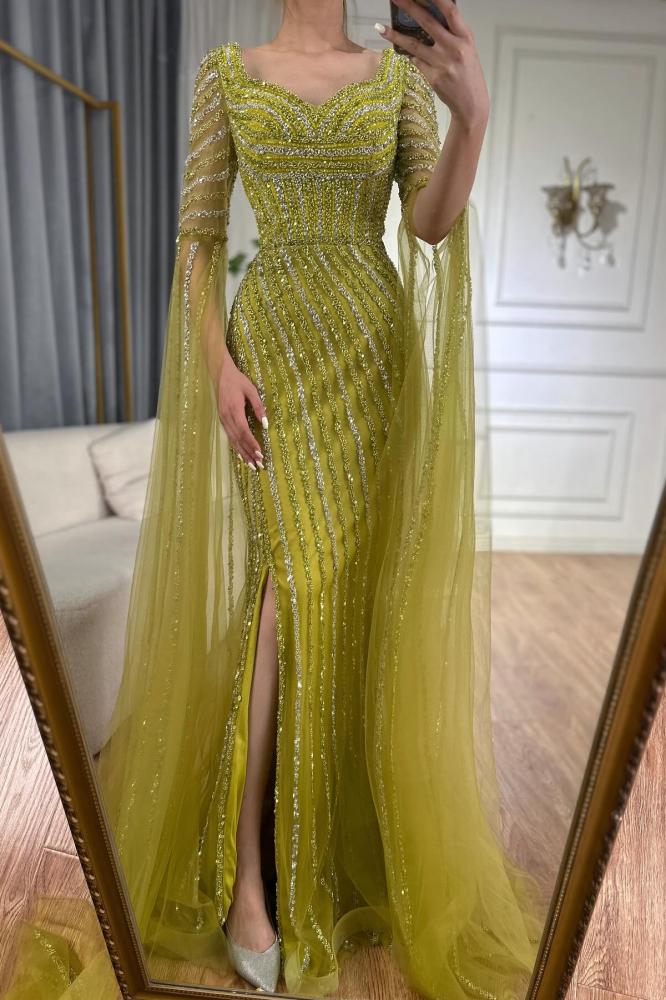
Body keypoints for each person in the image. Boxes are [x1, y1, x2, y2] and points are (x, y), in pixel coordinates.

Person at [92, 0, 546, 998]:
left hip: (371, 355)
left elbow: (429, 224)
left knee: (344, 591)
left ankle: (336, 838)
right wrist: (217, 367)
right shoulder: (226, 74)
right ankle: (252, 875)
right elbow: (197, 241)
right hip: (272, 356)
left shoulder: (396, 79)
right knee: (286, 587)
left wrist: (472, 117)